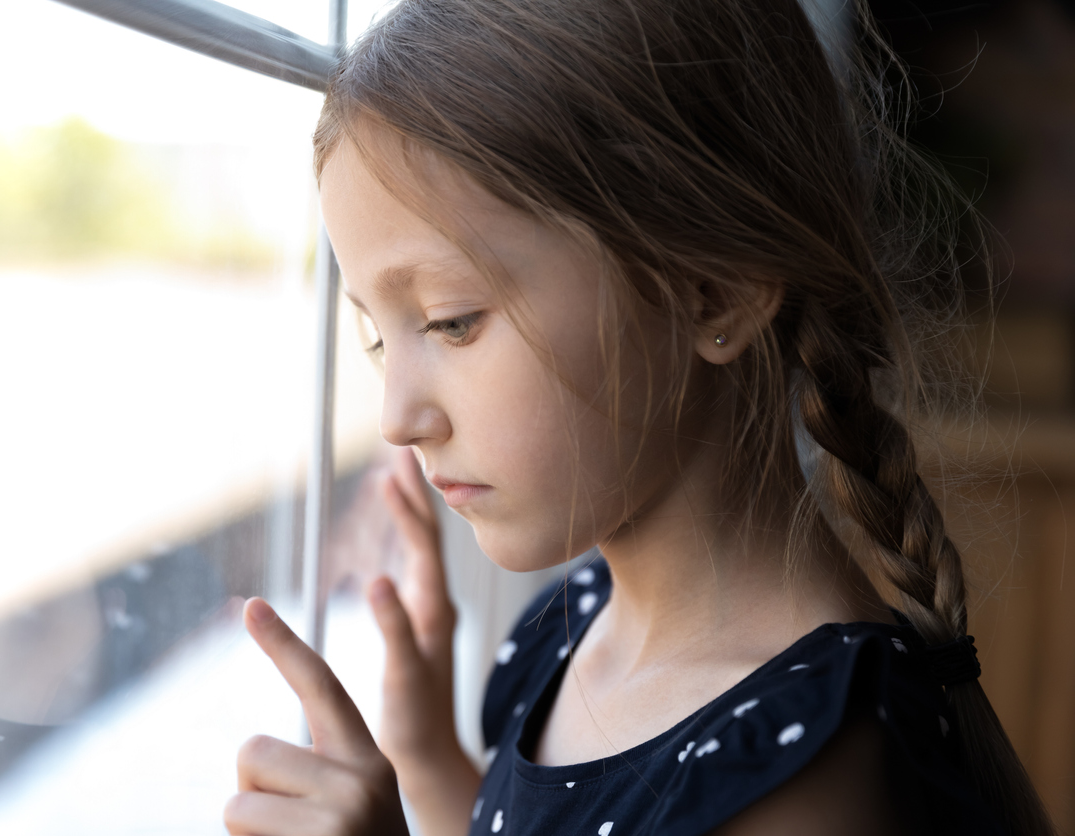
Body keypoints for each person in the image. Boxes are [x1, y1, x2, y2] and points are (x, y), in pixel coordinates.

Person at [222, 0, 1056, 834]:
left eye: (450, 319)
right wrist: (434, 762)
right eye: (375, 331)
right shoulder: (571, 629)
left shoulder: (803, 773)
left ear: (714, 292)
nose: (398, 417)